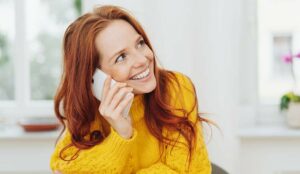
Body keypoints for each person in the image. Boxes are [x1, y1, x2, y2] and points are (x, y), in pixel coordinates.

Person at [50, 5, 211, 173]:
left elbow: (180, 169)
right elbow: (63, 167)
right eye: (121, 57)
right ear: (94, 77)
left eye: (140, 43)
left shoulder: (175, 87)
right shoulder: (91, 109)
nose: (142, 59)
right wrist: (121, 134)